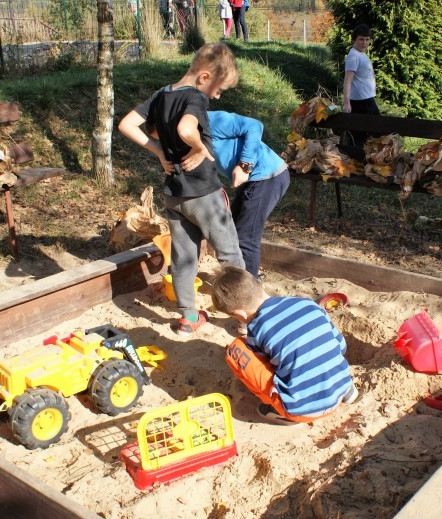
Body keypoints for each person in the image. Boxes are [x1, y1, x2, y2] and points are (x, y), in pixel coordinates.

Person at [118, 43, 245, 337]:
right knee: (230, 255)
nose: (217, 95)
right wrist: (200, 148)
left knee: (184, 257)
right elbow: (186, 129)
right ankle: (247, 319)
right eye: (218, 89)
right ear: (204, 77)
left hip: (175, 195)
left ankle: (188, 317)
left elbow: (129, 125)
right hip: (205, 194)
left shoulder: (162, 95)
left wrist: (159, 151)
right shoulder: (195, 97)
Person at [211, 265, 359, 425]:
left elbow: (265, 366)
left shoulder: (257, 329)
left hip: (303, 410)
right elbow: (341, 346)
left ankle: (281, 412)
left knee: (235, 350)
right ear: (260, 286)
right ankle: (346, 390)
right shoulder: (308, 304)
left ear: (239, 313)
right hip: (341, 384)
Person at [208, 110, 290, 280]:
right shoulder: (180, 131)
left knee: (246, 236)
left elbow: (255, 126)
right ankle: (240, 280)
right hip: (253, 180)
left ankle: (251, 287)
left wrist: (245, 165)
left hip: (267, 176)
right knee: (233, 230)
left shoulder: (209, 120)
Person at [342, 23, 379, 147]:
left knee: (362, 134)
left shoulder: (360, 54)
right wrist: (346, 103)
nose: (364, 43)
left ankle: (359, 155)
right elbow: (347, 80)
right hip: (362, 101)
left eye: (367, 39)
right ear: (354, 40)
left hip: (365, 98)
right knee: (378, 130)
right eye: (361, 39)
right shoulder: (354, 56)